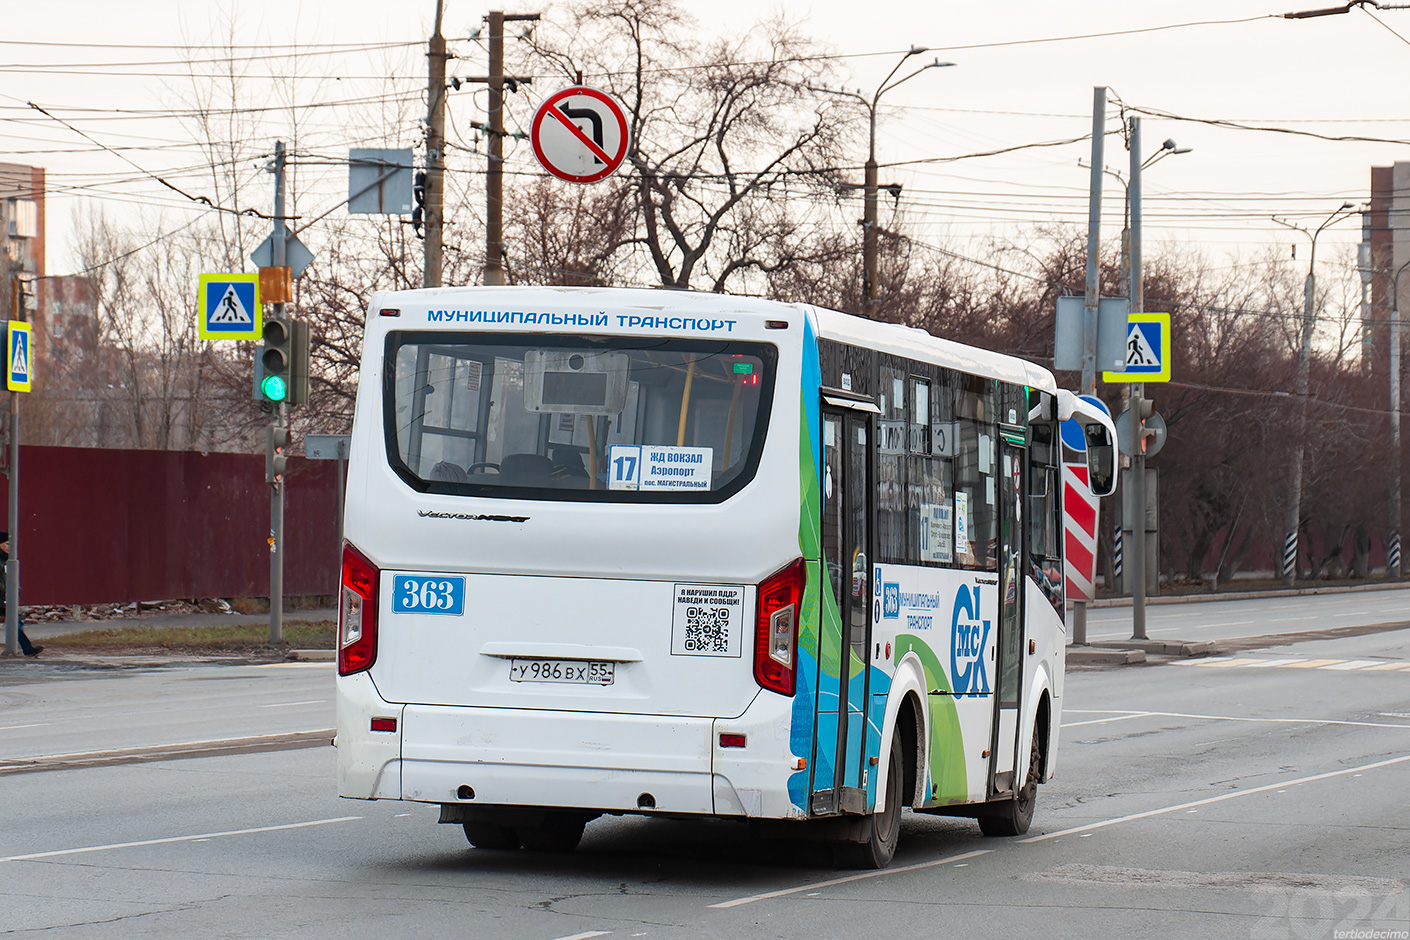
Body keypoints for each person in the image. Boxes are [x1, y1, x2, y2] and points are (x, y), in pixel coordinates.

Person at [0, 532, 41, 657]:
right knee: (14, 623)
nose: (10, 547)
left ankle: (27, 648)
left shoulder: (7, 560)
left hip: (7, 599)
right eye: (7, 544)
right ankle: (27, 648)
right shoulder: (2, 561)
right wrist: (7, 594)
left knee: (16, 623)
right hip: (3, 598)